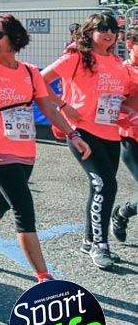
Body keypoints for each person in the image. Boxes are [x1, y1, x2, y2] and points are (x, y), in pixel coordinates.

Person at [0, 0, 90, 281]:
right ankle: (45, 279)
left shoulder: (30, 72)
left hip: (26, 151)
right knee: (23, 211)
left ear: (13, 37)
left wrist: (72, 134)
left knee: (1, 200)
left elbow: (49, 109)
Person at [42, 13, 130, 269]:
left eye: (113, 28)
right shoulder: (76, 58)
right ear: (89, 31)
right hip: (82, 131)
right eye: (102, 28)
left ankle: (88, 239)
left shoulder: (117, 63)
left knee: (99, 187)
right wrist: (63, 105)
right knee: (106, 186)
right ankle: (99, 245)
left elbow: (120, 98)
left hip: (111, 134)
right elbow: (40, 80)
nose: (109, 33)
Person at [111, 29, 138, 243]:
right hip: (131, 138)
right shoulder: (122, 71)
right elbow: (108, 102)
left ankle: (123, 213)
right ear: (130, 43)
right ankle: (122, 214)